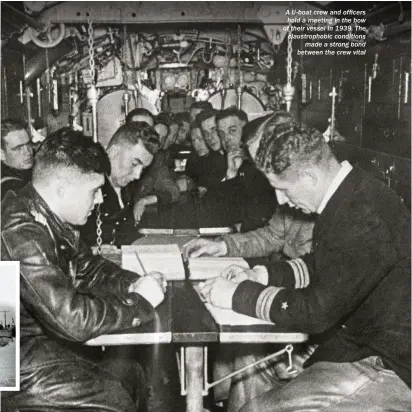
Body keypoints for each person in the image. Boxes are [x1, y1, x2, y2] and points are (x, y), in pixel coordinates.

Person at [198, 122, 411, 412]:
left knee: (257, 409)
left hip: (388, 364)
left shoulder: (362, 214)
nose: (281, 200)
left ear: (309, 176)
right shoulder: (349, 193)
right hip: (357, 344)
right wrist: (261, 274)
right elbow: (326, 264)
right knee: (249, 365)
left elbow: (316, 313)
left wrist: (237, 295)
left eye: (283, 189)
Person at [1, 127, 166, 411]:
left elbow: (87, 266)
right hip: (9, 361)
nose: (100, 199)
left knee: (131, 372)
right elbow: (72, 320)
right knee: (116, 399)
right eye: (93, 191)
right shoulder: (21, 232)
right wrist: (139, 303)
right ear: (63, 188)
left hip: (31, 344)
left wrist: (135, 283)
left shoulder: (44, 213)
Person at [81, 121, 160, 246]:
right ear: (113, 151)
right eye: (134, 164)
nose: (137, 175)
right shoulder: (87, 189)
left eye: (143, 168)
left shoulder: (127, 189)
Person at [1, 119, 33, 199]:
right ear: (1, 154)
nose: (28, 152)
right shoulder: (9, 189)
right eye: (18, 148)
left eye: (28, 144)